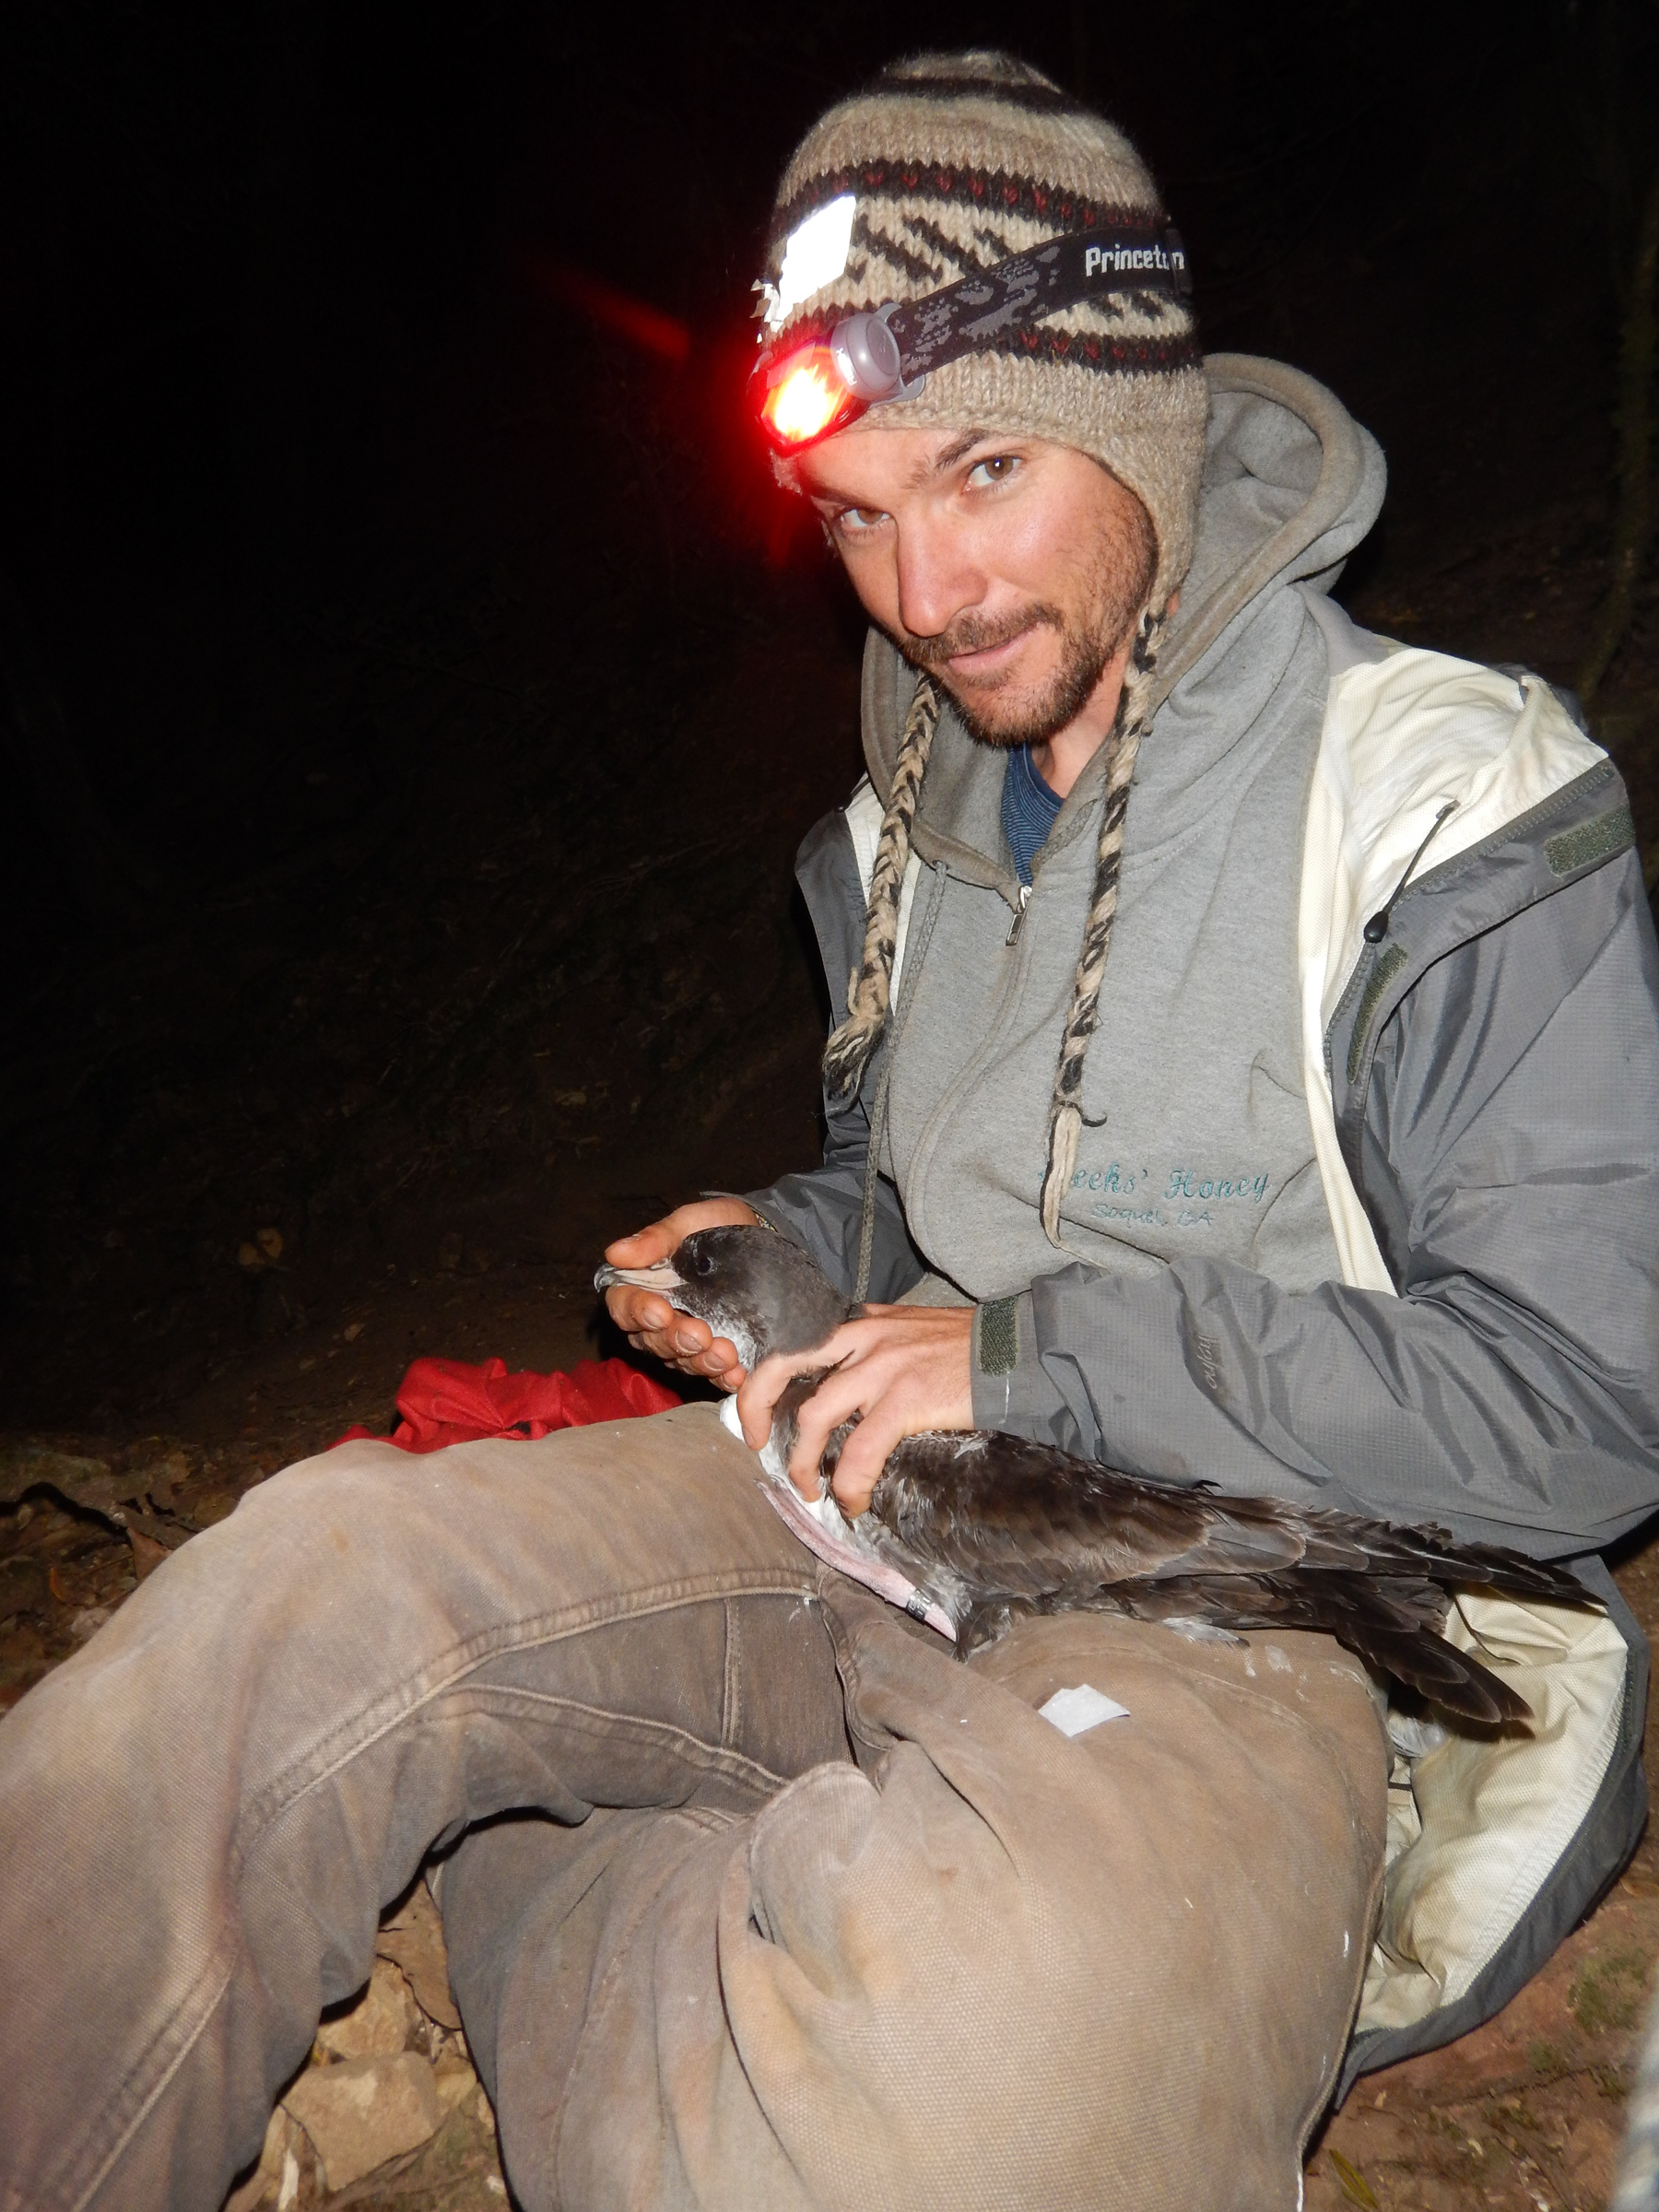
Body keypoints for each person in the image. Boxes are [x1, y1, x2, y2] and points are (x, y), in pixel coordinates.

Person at [3, 51, 1657, 2212]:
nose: (925, 586)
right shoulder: (899, 833)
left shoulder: (1439, 793)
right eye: (858, 514)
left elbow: (1579, 1401)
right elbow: (912, 1216)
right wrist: (774, 1249)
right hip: (852, 1506)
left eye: (983, 471)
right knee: (303, 1586)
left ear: (1134, 411)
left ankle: (553, 1884)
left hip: (1249, 1601)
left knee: (978, 2104)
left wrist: (1040, 1358)